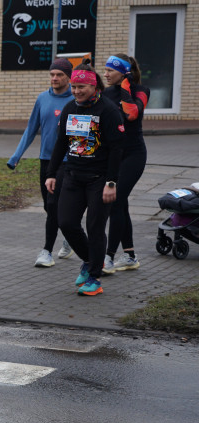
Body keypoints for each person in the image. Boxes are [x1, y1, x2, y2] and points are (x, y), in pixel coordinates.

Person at [45, 62, 125, 296]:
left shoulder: (108, 110)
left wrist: (111, 182)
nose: (77, 91)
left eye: (82, 87)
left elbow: (117, 150)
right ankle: (91, 260)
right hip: (73, 175)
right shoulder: (70, 108)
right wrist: (51, 173)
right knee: (66, 222)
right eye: (74, 87)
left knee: (95, 227)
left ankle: (94, 278)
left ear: (93, 86)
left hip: (99, 179)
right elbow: (61, 143)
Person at [8, 58, 75, 268]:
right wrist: (16, 156)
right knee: (49, 206)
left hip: (67, 162)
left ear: (68, 77)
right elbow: (31, 129)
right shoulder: (42, 99)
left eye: (59, 75)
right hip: (46, 161)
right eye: (52, 74)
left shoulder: (76, 100)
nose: (55, 78)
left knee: (54, 204)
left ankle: (46, 251)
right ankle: (70, 235)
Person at [101, 53, 149, 274]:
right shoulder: (106, 93)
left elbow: (131, 113)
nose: (106, 74)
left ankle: (108, 257)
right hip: (114, 155)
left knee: (116, 200)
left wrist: (127, 85)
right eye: (106, 69)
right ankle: (129, 255)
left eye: (111, 70)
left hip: (134, 155)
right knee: (121, 204)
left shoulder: (140, 91)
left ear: (124, 72)